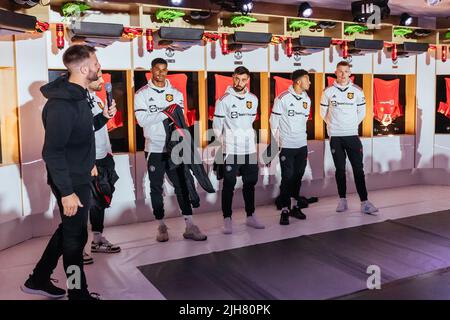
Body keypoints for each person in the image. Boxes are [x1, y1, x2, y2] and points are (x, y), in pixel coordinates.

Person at [21, 44, 113, 300]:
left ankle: (38, 278)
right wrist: (67, 192)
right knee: (74, 241)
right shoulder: (62, 105)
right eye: (96, 63)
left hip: (79, 177)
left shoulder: (79, 96)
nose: (99, 68)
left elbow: (80, 133)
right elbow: (53, 152)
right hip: (70, 183)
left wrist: (102, 118)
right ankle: (77, 293)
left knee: (71, 232)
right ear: (84, 68)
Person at [134, 58, 207, 242]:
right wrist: (166, 112)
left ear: (167, 71)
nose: (161, 73)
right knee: (156, 188)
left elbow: (179, 119)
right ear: (152, 71)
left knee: (182, 184)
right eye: (157, 70)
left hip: (174, 148)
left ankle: (190, 225)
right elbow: (142, 120)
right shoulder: (141, 94)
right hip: (155, 148)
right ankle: (161, 226)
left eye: (164, 70)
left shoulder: (175, 93)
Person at [320, 61, 378, 215]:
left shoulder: (358, 91)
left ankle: (364, 202)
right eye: (340, 71)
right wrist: (335, 126)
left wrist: (350, 126)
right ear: (336, 72)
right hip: (336, 137)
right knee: (340, 169)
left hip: (352, 135)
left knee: (358, 169)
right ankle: (342, 200)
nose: (343, 74)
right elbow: (323, 114)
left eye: (346, 71)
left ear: (350, 73)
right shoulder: (327, 91)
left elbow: (362, 113)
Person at [213, 66, 265, 234]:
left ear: (248, 80)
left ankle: (250, 216)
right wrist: (226, 144)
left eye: (243, 79)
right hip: (231, 151)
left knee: (250, 184)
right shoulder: (224, 100)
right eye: (236, 78)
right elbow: (216, 128)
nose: (239, 82)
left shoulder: (253, 99)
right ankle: (227, 219)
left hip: (249, 150)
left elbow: (249, 123)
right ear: (232, 78)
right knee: (229, 185)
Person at [82, 71, 120, 265]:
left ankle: (97, 239)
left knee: (101, 199)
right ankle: (77, 247)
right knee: (84, 202)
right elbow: (82, 131)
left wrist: (109, 153)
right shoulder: (79, 102)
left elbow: (101, 130)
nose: (103, 81)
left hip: (104, 156)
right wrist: (89, 162)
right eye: (98, 79)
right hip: (88, 160)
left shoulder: (98, 100)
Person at [270, 69, 311, 225]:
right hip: (287, 145)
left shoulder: (307, 99)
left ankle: (294, 206)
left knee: (297, 177)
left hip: (302, 145)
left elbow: (304, 120)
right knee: (287, 178)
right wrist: (278, 142)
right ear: (298, 82)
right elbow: (273, 122)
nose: (310, 82)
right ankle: (285, 210)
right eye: (307, 79)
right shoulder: (282, 99)